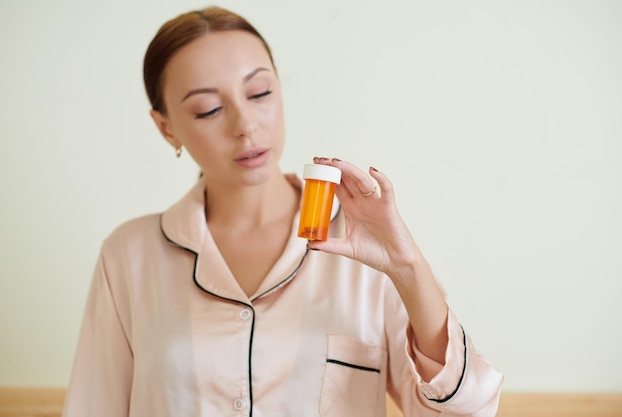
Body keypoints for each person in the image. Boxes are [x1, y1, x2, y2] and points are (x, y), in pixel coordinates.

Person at [63, 6, 503, 417]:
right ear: (166, 129)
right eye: (208, 109)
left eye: (259, 92)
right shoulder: (129, 256)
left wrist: (406, 267)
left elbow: (467, 409)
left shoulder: (364, 247)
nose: (245, 125)